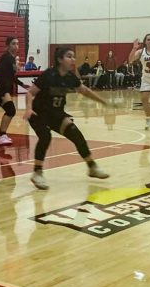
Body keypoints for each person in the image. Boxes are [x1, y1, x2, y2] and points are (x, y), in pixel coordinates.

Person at [23, 47, 110, 190]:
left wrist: (101, 100)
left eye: (74, 56)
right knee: (45, 137)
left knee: (75, 133)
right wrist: (28, 108)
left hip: (56, 114)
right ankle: (37, 173)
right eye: (69, 56)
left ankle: (92, 167)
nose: (73, 59)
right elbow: (30, 93)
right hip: (38, 113)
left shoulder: (70, 77)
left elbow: (84, 90)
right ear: (59, 59)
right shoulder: (49, 75)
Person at [0, 36, 25, 146]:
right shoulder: (6, 57)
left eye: (17, 44)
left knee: (10, 111)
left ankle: (1, 135)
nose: (16, 46)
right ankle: (1, 135)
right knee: (10, 110)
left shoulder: (12, 58)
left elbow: (11, 76)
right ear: (8, 45)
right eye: (14, 43)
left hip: (3, 88)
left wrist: (23, 84)